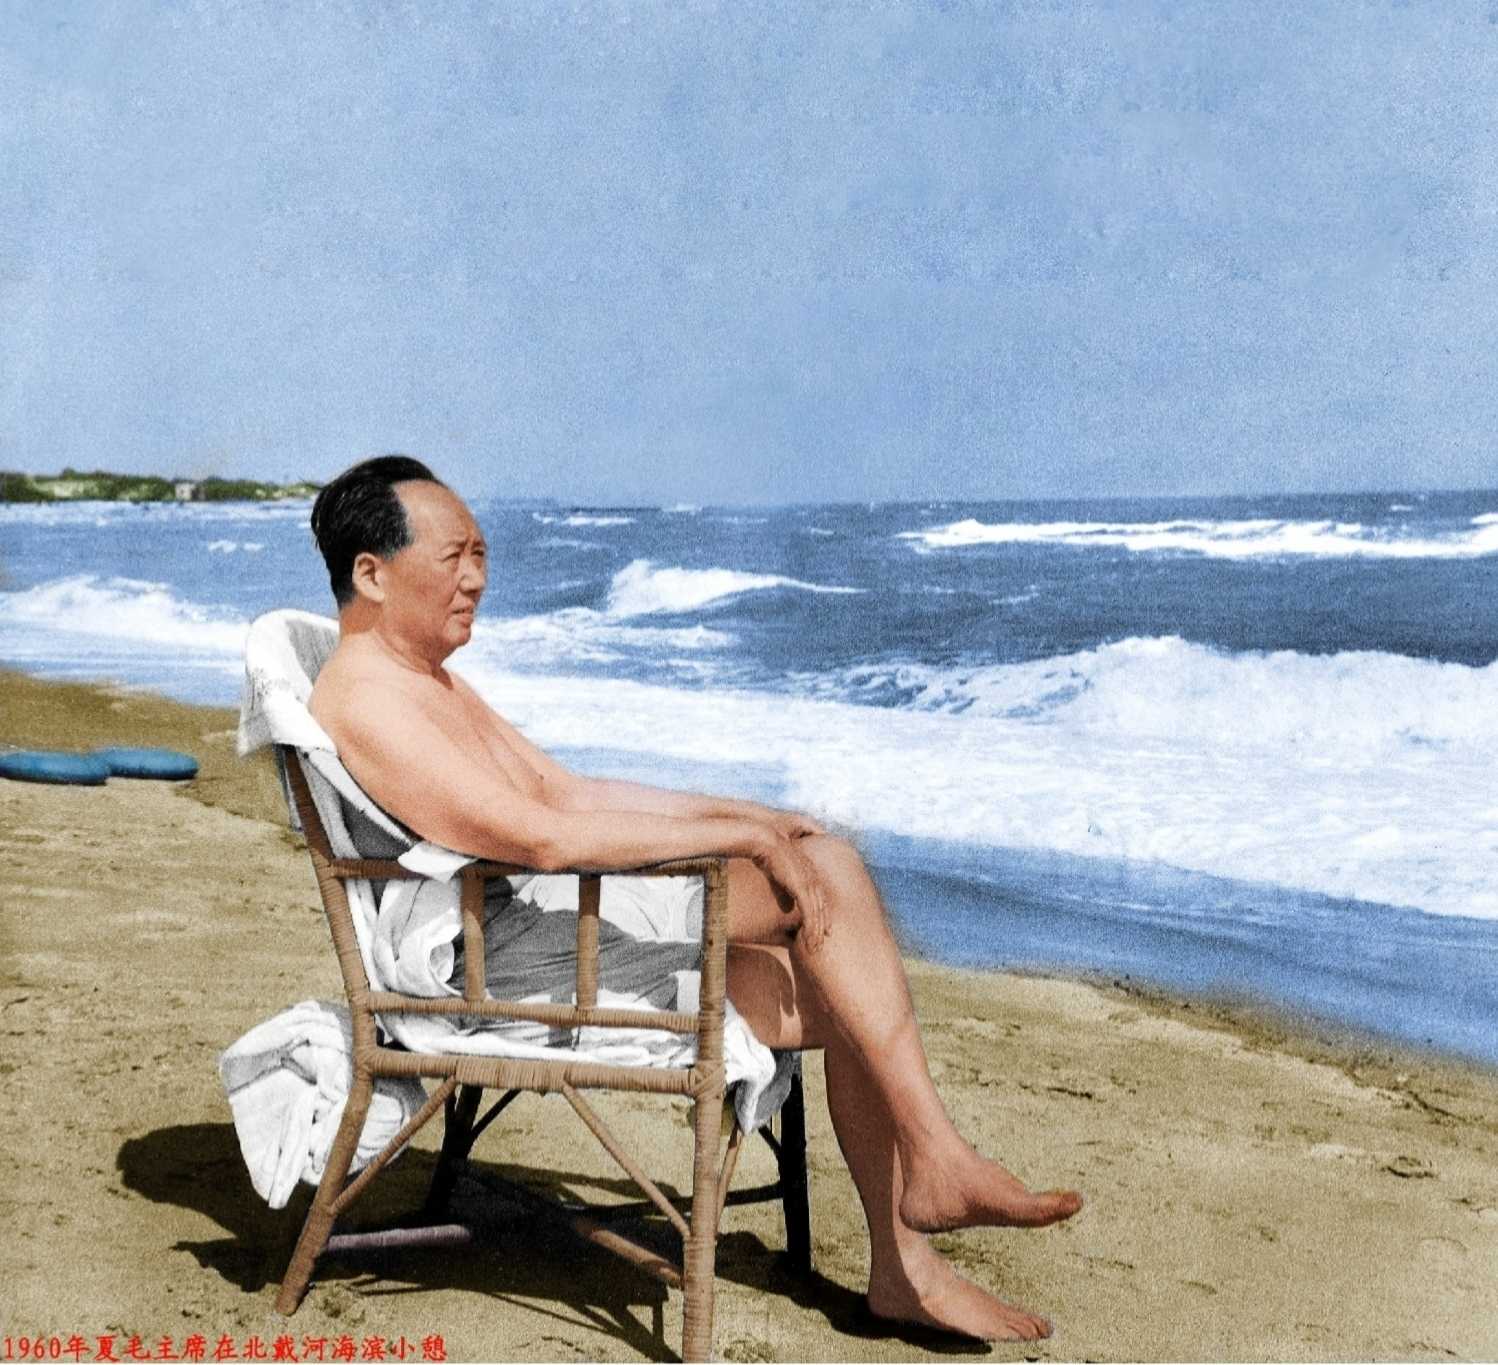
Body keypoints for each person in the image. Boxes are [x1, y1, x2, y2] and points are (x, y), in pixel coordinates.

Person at [306, 455, 1083, 1342]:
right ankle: (921, 1202)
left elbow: (567, 791)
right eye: (455, 556)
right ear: (372, 572)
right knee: (835, 924)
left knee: (832, 904)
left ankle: (919, 1216)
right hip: (498, 963)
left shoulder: (421, 679)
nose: (477, 577)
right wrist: (745, 841)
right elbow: (546, 837)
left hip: (530, 921)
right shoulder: (371, 700)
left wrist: (752, 819)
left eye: (481, 553)